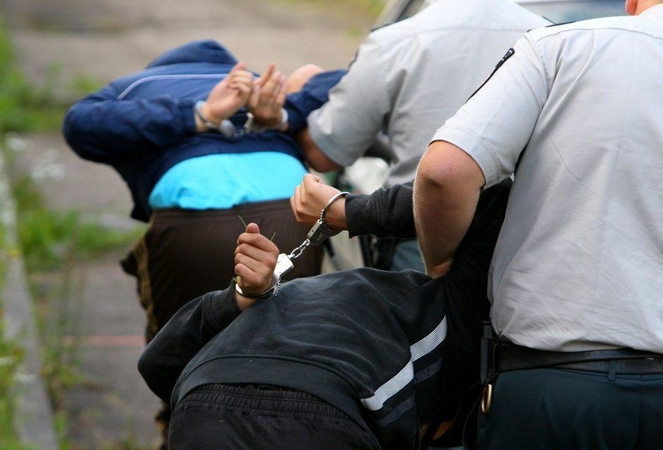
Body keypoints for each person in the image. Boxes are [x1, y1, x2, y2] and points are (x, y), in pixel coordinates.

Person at [61, 39, 345, 447]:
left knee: (183, 359)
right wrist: (283, 113)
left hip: (193, 223)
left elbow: (79, 124)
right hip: (295, 214)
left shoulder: (132, 87)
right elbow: (353, 78)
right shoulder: (255, 85)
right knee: (284, 358)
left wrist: (198, 116)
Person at [413, 0, 663, 448]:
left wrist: (441, 261)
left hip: (554, 386)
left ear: (633, 3)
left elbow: (444, 173)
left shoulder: (563, 47)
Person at [138, 177, 512, 450]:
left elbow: (157, 363)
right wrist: (345, 211)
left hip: (202, 407)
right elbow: (482, 195)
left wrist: (240, 297)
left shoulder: (300, 295)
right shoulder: (462, 320)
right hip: (322, 414)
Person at [289, 0, 549, 271]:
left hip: (416, 241)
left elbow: (327, 151)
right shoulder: (553, 40)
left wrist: (291, 106)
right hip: (529, 243)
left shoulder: (395, 41)